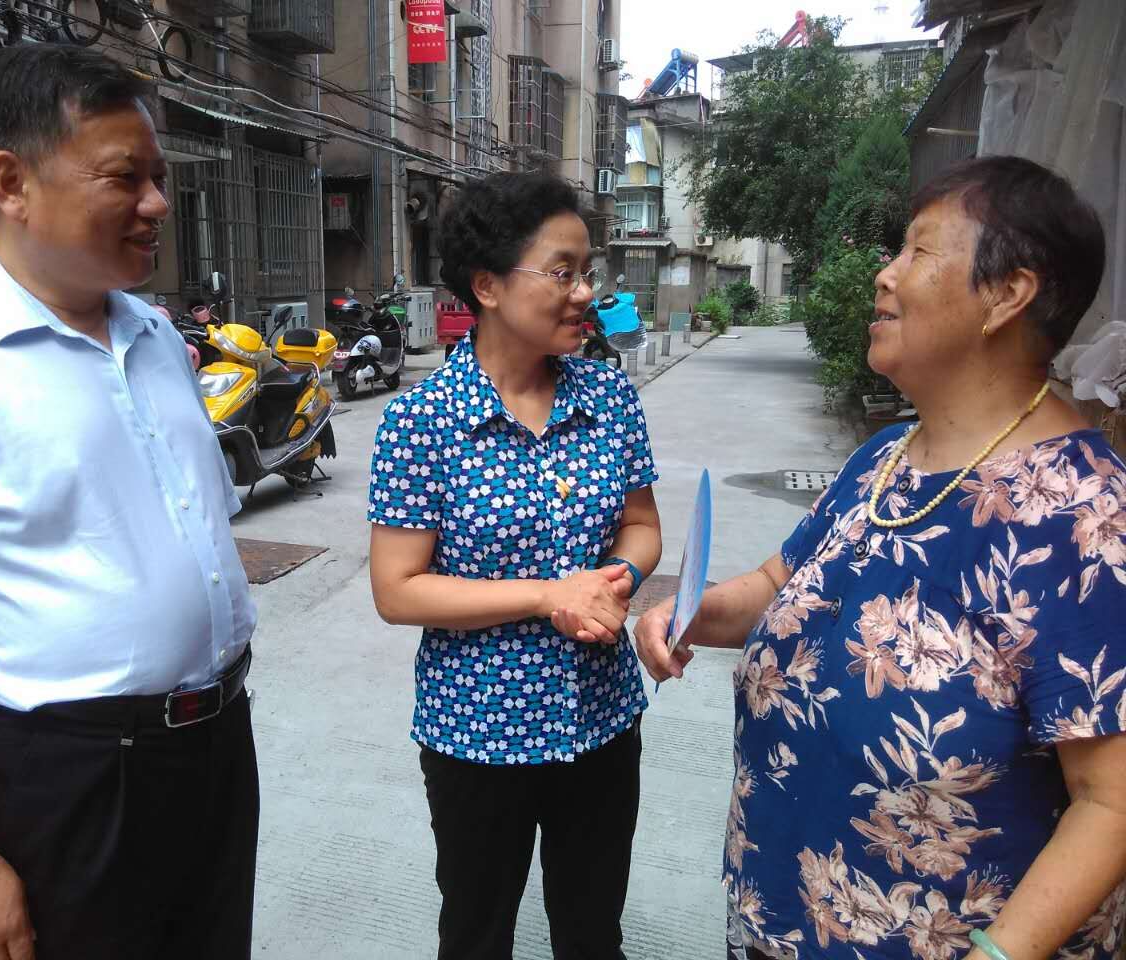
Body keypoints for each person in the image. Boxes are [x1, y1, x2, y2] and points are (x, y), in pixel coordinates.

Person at [635, 155, 1126, 960]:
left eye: (918, 251)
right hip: (780, 916)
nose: (885, 275)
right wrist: (688, 614)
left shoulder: (1085, 522)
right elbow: (782, 583)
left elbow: (1111, 804)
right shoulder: (887, 457)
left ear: (1008, 294)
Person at [0, 45, 259, 960]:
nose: (157, 204)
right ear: (12, 183)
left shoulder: (155, 335)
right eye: (125, 178)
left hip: (214, 746)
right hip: (66, 777)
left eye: (157, 178)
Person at [367, 172, 663, 960]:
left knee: (593, 934)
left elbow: (641, 528)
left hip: (601, 718)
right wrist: (545, 596)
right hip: (478, 732)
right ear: (488, 285)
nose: (585, 292)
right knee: (475, 934)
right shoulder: (422, 420)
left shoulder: (610, 397)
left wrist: (615, 581)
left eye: (587, 271)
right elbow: (397, 590)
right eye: (562, 272)